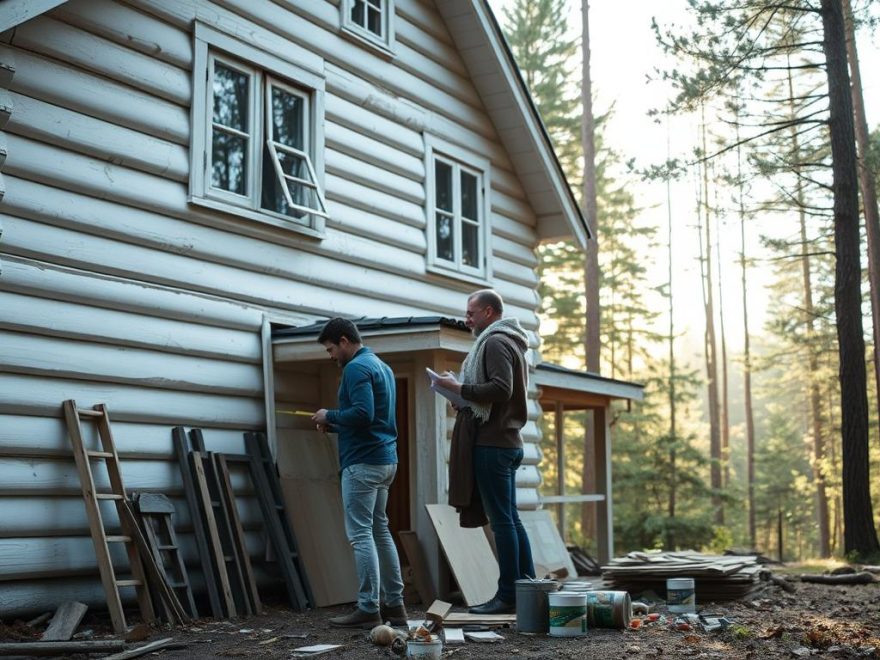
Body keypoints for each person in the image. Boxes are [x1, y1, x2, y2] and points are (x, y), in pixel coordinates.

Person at [434, 290, 535, 615]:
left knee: (502, 522)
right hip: (505, 441)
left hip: (493, 443)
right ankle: (528, 588)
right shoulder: (510, 342)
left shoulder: (494, 342)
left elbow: (500, 388)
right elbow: (496, 394)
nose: (467, 320)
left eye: (471, 313)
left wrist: (459, 388)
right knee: (511, 520)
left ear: (489, 312)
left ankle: (507, 595)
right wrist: (463, 397)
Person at [311, 318, 407, 628]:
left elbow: (364, 414)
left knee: (361, 534)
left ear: (343, 341)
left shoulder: (355, 368)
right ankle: (395, 606)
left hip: (363, 463)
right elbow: (374, 418)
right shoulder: (382, 366)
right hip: (385, 459)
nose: (331, 356)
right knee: (380, 529)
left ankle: (368, 607)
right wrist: (337, 424)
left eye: (331, 349)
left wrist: (330, 414)